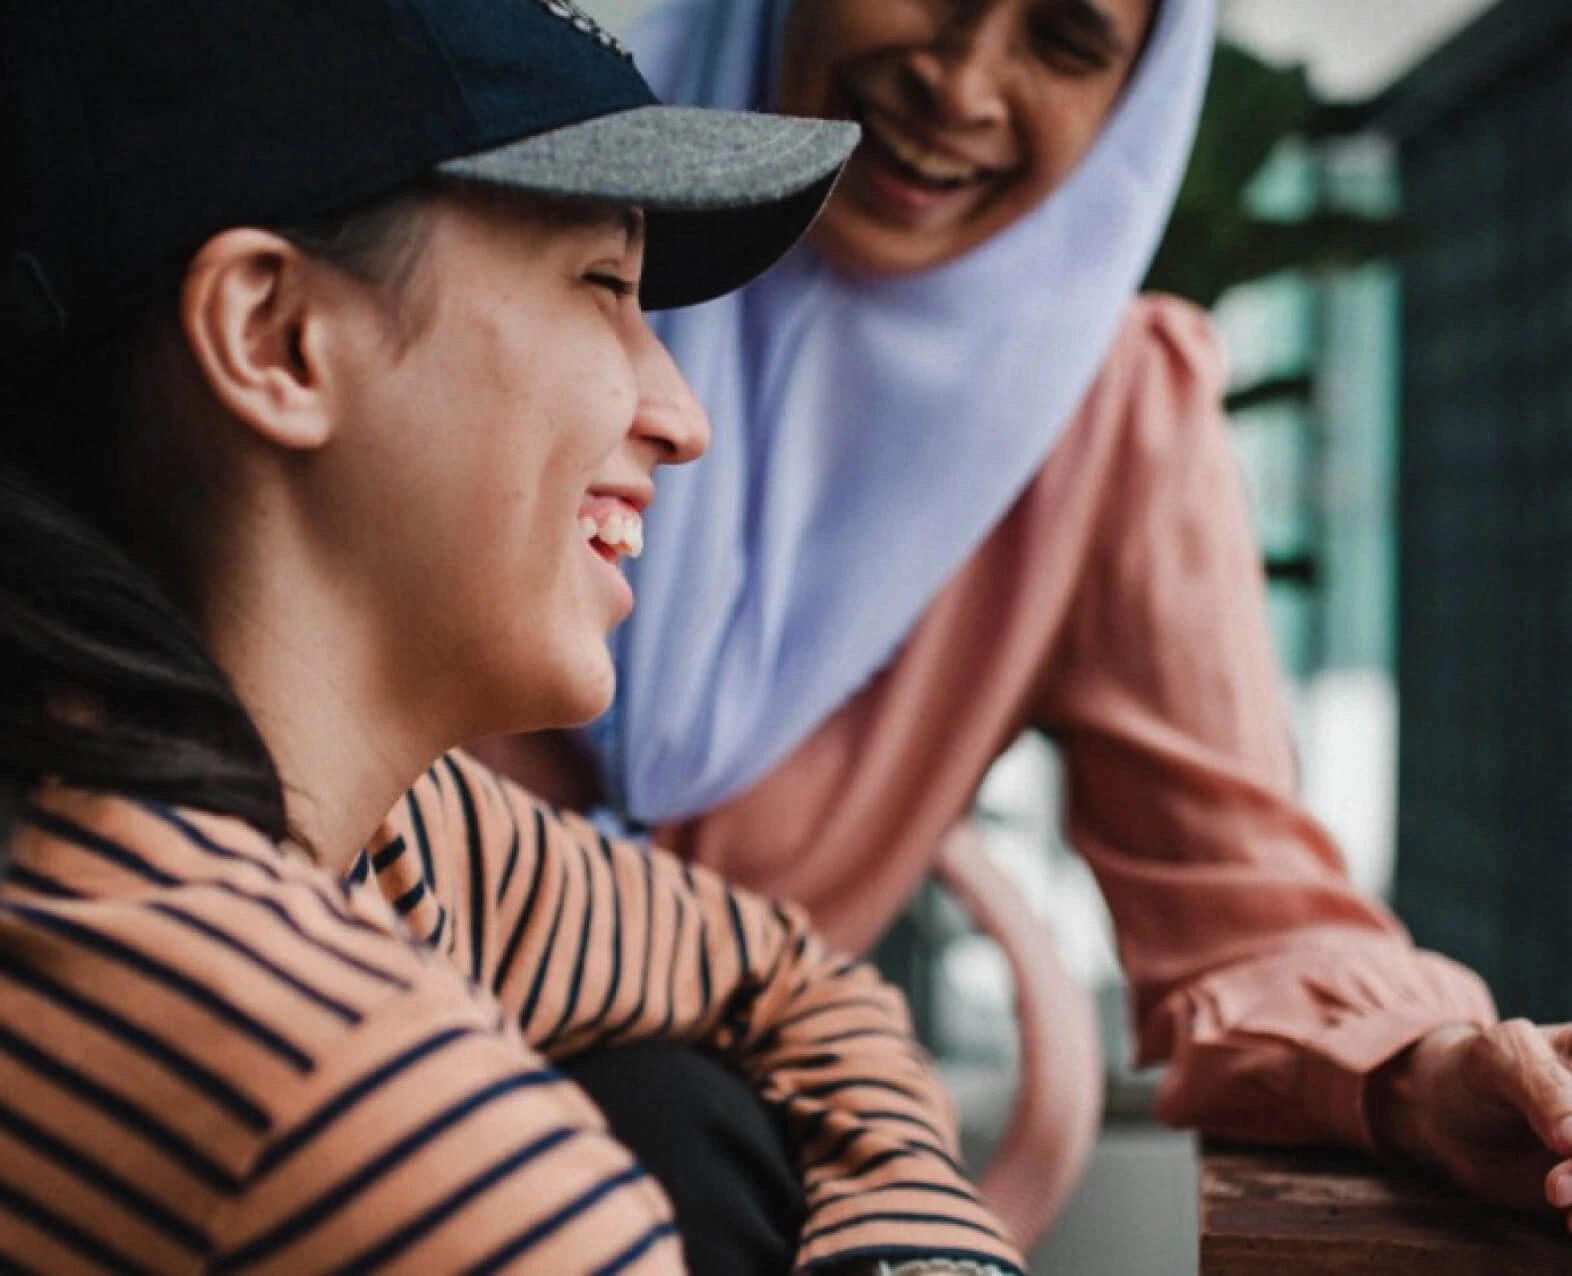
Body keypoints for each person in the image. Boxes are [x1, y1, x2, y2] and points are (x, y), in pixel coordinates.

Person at [477, 0, 1572, 1241]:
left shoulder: (1103, 418)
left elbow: (1241, 897)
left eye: (1065, 40)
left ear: (1134, 93)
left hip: (729, 1151)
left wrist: (1420, 1069)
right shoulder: (446, 249)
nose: (963, 85)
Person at [0, 3, 1024, 1274]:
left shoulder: (396, 832)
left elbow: (791, 976)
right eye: (602, 285)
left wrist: (912, 1242)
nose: (682, 414)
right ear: (276, 337)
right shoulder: (375, 1119)